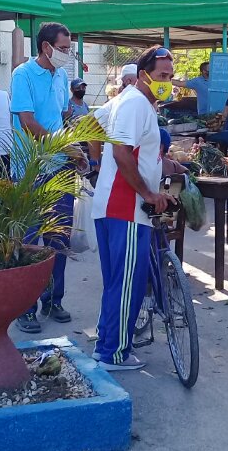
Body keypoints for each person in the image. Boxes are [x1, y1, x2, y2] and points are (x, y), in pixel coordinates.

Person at [91, 45, 177, 370]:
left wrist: (161, 164)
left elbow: (93, 124)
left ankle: (106, 341)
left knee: (118, 282)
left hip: (114, 206)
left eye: (170, 76)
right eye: (161, 76)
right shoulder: (136, 104)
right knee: (129, 284)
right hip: (126, 207)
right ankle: (113, 354)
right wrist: (149, 193)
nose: (167, 82)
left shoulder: (129, 101)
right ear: (144, 76)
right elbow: (122, 154)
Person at [11, 22, 80, 333]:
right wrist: (62, 143)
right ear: (45, 47)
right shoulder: (22, 75)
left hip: (61, 167)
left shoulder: (62, 75)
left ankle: (53, 299)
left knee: (59, 238)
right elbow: (27, 122)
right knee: (29, 239)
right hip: (30, 170)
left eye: (69, 49)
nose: (67, 54)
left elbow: (61, 115)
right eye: (63, 49)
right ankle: (24, 307)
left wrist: (78, 134)